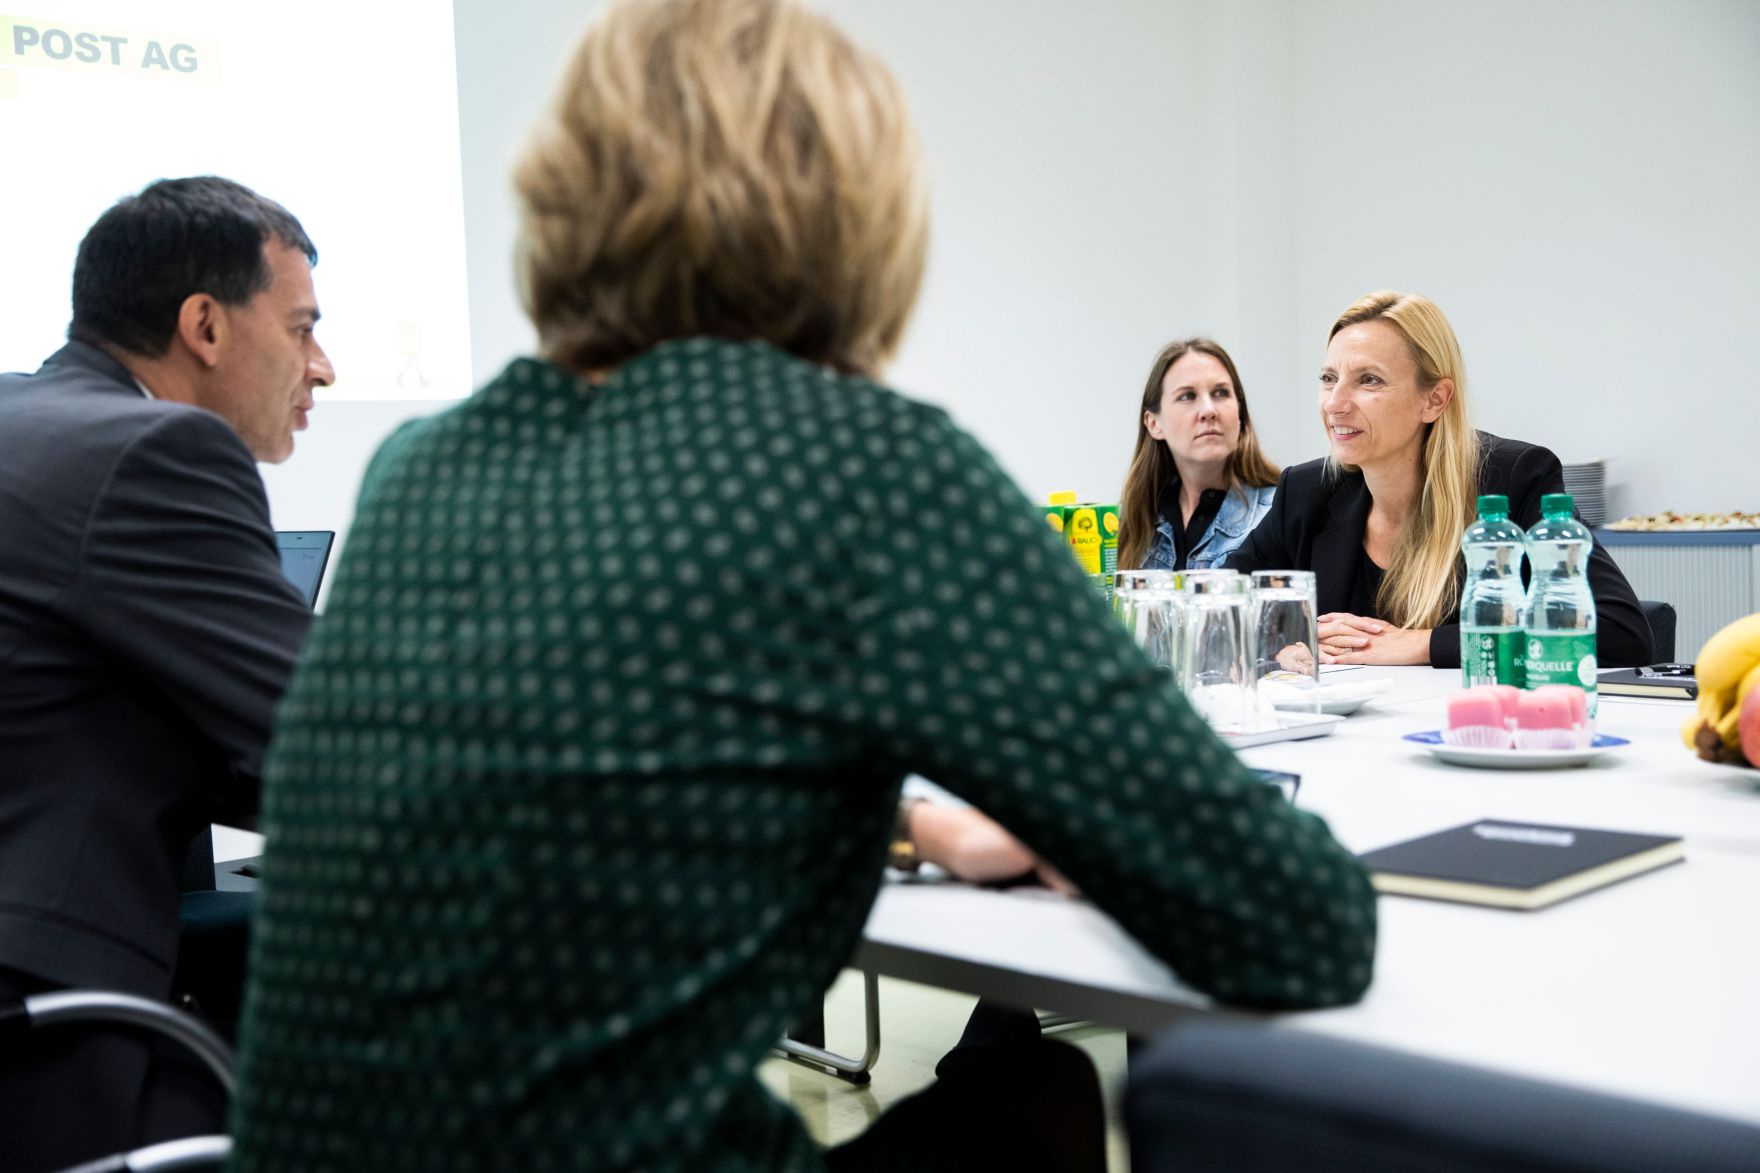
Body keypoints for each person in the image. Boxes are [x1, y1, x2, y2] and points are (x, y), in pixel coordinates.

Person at [229, 3, 1378, 1171]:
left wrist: (908, 828)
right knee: (1036, 1090)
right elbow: (1292, 924)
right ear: (856, 215)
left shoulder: (425, 466)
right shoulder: (856, 465)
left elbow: (603, 771)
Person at [0, 177, 333, 1170]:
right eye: (303, 326)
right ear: (205, 326)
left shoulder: (24, 419)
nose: (322, 365)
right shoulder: (154, 449)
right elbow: (323, 742)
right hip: (44, 1015)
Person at [1228, 289, 1650, 668]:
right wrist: (1282, 642)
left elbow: (1619, 634)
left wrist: (1423, 645)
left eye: (1368, 380)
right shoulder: (1306, 492)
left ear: (1434, 399)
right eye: (1328, 379)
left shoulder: (1515, 478)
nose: (1335, 404)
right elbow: (1225, 608)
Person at [1119, 338, 1279, 572]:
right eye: (1187, 396)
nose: (1208, 410)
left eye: (1221, 393)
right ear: (1154, 424)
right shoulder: (1135, 520)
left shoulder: (1277, 513)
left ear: (1240, 414)